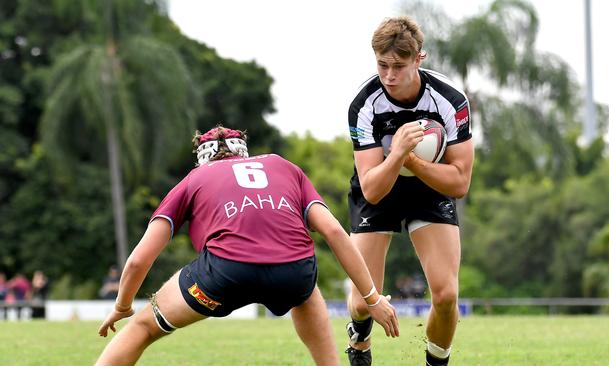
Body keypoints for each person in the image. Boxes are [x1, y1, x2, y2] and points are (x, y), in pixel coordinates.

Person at [95, 125, 399, 366]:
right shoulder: (282, 166)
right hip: (294, 276)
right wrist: (372, 299)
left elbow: (138, 261)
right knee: (306, 291)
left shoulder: (195, 177)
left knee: (144, 326)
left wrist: (122, 307)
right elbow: (334, 231)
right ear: (244, 154)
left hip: (223, 277)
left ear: (202, 158)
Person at [344, 16, 473, 366]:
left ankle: (436, 361)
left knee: (446, 295)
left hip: (429, 186)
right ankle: (359, 338)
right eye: (382, 64)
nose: (389, 75)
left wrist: (413, 163)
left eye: (398, 66)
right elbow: (371, 190)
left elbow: (460, 182)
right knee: (360, 302)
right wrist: (398, 154)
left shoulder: (449, 99)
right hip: (381, 184)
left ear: (419, 58)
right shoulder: (364, 103)